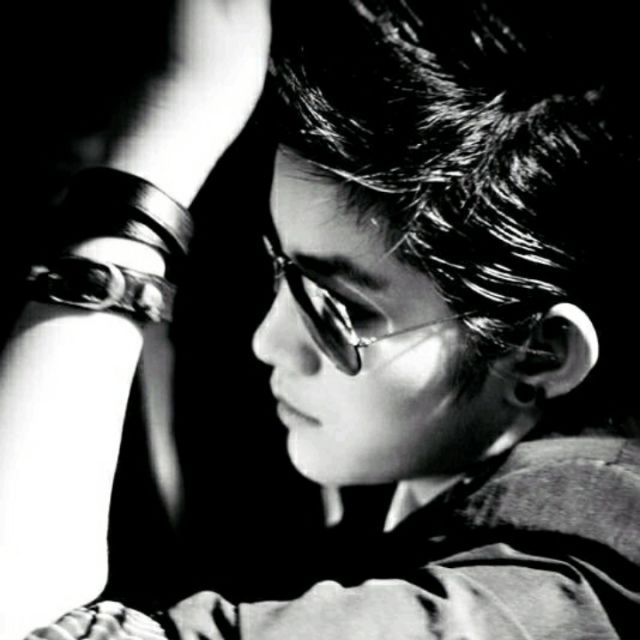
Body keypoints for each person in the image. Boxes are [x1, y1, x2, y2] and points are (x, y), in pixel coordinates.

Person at [3, 0, 638, 638]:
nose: (267, 342)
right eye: (281, 269)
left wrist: (153, 164)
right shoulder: (434, 478)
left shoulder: (522, 607)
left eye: (341, 308)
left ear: (540, 352)